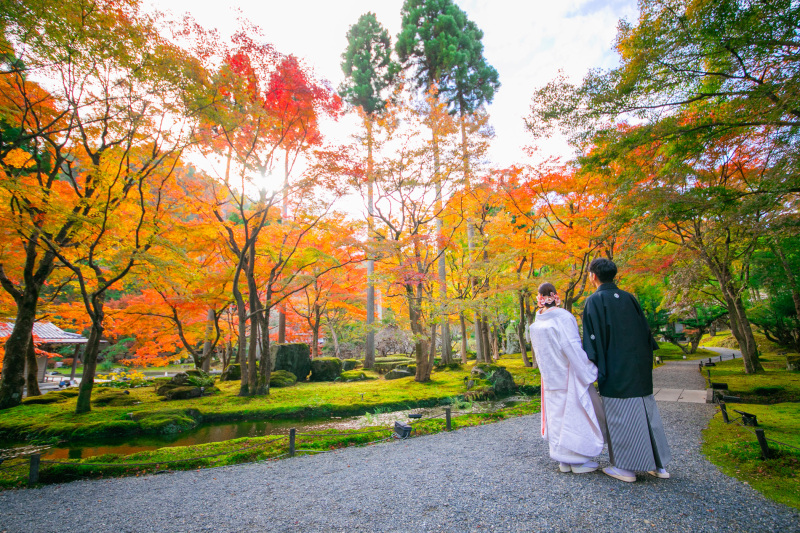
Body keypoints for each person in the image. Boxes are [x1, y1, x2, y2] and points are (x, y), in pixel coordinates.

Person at [582, 258, 671, 482]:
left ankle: (625, 468)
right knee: (647, 411)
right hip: (639, 365)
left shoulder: (594, 301)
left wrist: (592, 368)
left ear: (593, 275)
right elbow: (645, 331)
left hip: (615, 368)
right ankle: (659, 466)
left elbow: (592, 342)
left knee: (622, 416)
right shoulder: (629, 297)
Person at [529, 282, 604, 474]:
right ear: (555, 296)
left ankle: (563, 460)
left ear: (539, 298)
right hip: (567, 373)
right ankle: (577, 460)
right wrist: (589, 371)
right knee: (574, 413)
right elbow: (572, 346)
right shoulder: (563, 317)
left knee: (556, 416)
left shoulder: (536, 324)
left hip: (549, 376)